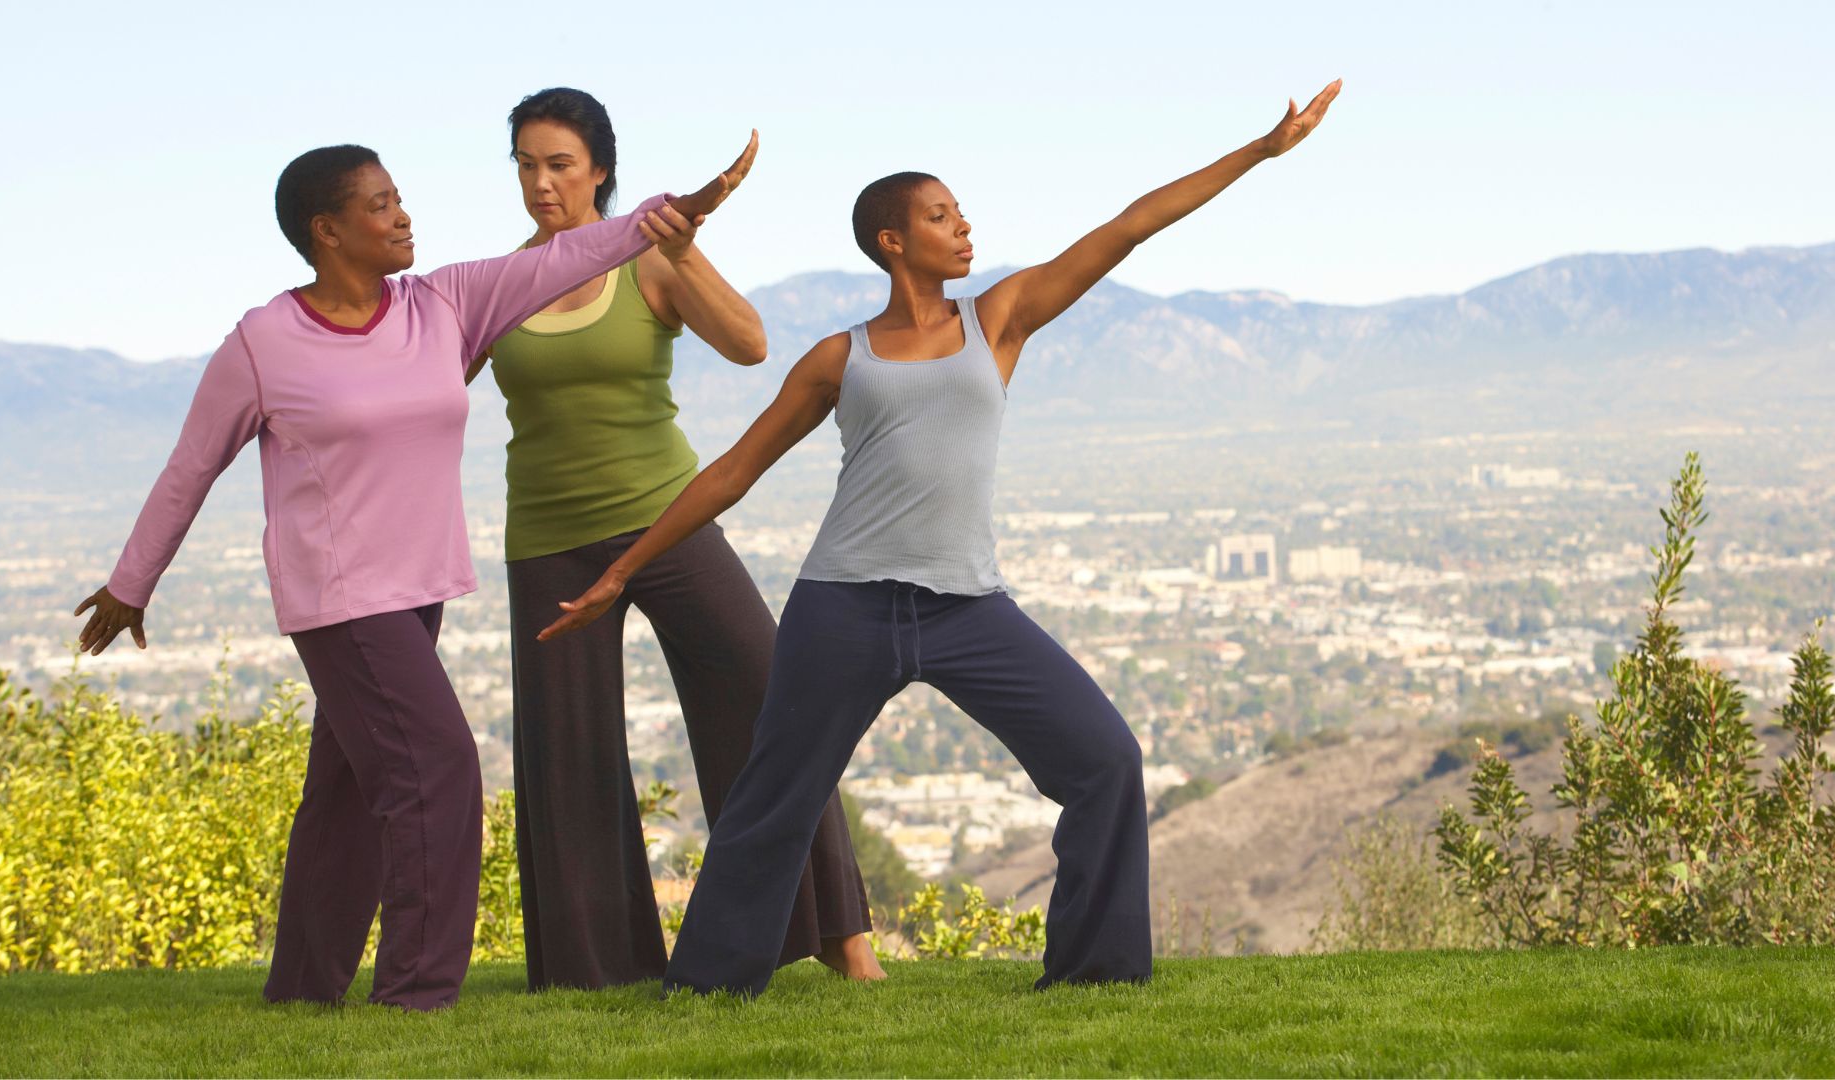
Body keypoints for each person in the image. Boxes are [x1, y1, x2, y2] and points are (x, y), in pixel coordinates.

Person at [539, 80, 1343, 996]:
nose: (963, 229)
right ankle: (711, 987)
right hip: (842, 604)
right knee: (774, 800)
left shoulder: (997, 319)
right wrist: (624, 570)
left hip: (968, 606)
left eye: (961, 214)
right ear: (893, 240)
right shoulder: (840, 357)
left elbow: (1129, 226)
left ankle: (1096, 972)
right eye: (940, 216)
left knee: (1106, 760)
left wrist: (1260, 150)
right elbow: (729, 473)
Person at [71, 134, 757, 1010]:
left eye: (400, 198)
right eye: (381, 204)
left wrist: (673, 212)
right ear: (327, 230)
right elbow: (191, 466)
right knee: (438, 769)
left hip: (416, 591)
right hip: (341, 600)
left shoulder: (442, 303)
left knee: (349, 791)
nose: (403, 215)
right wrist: (134, 581)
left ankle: (301, 992)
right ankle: (416, 996)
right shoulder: (264, 342)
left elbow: (583, 249)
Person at [464, 88, 880, 990]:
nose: (542, 183)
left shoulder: (647, 262)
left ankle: (841, 937)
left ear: (600, 170)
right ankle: (592, 971)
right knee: (566, 748)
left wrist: (685, 248)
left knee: (775, 699)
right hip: (546, 537)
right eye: (527, 165)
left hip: (666, 519)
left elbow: (750, 343)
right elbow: (421, 381)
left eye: (560, 164)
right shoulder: (497, 285)